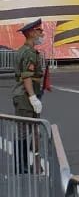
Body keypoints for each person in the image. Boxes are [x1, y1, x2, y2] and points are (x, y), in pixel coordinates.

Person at [10, 20, 46, 173]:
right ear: (31, 33)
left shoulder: (23, 50)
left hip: (25, 95)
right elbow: (27, 77)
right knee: (24, 133)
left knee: (27, 131)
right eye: (39, 30)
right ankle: (22, 166)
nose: (41, 34)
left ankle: (24, 164)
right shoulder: (29, 52)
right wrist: (33, 98)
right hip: (25, 97)